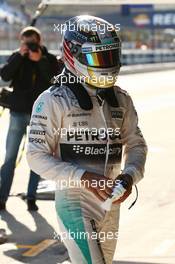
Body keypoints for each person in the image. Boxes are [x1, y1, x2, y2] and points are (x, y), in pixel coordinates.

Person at [26, 16, 147, 263]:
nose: (107, 64)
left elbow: (137, 145)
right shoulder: (52, 100)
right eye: (99, 58)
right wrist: (85, 178)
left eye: (111, 56)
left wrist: (128, 176)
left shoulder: (121, 100)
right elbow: (35, 156)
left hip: (111, 203)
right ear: (73, 54)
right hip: (74, 203)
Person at [0, 26, 59, 211]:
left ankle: (32, 197)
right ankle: (1, 199)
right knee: (10, 157)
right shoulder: (18, 57)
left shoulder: (49, 59)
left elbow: (54, 81)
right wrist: (19, 56)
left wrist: (39, 61)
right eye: (26, 43)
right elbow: (5, 76)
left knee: (37, 157)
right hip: (18, 113)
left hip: (40, 116)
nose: (30, 46)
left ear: (39, 41)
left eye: (32, 42)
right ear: (21, 42)